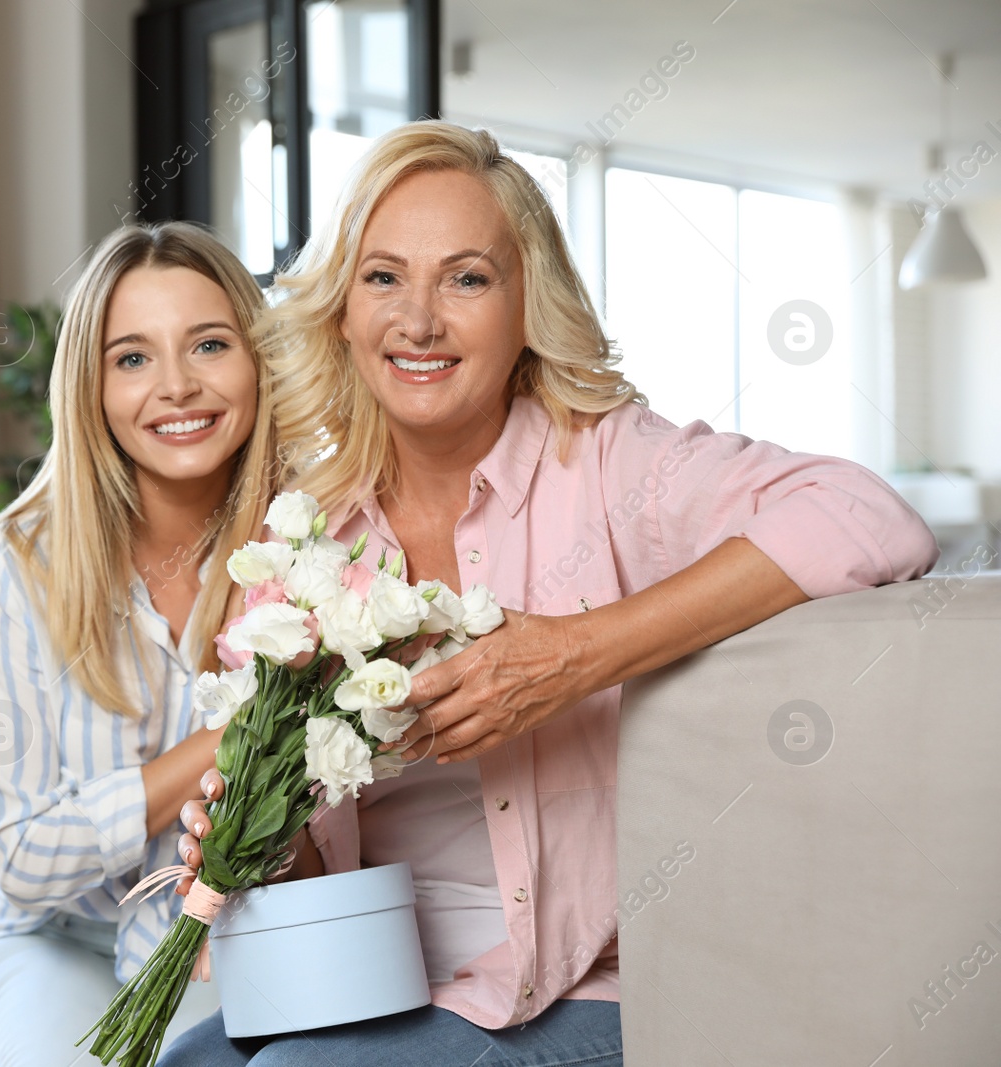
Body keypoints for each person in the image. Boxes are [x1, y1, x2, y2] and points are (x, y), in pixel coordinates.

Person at [159, 121, 938, 1066]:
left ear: (528, 300)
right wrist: (271, 839)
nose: (419, 321)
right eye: (384, 276)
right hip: (376, 977)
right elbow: (325, 871)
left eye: (467, 278)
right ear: (342, 307)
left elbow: (866, 516)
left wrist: (574, 655)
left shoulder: (610, 463)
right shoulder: (307, 539)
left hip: (578, 992)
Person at [0, 221, 281, 1067]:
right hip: (49, 935)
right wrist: (216, 747)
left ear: (258, 358)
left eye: (209, 344)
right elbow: (23, 857)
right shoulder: (22, 558)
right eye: (132, 358)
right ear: (91, 387)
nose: (176, 386)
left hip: (221, 930)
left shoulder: (312, 543)